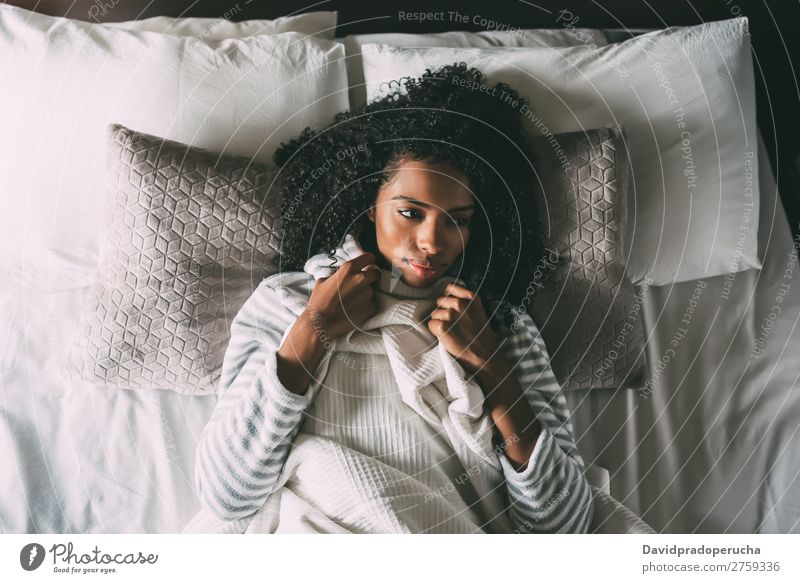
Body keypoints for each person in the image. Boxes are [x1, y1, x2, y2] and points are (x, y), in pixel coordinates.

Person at [193, 63, 594, 533]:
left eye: (458, 220)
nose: (431, 242)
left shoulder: (500, 326)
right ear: (368, 201)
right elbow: (226, 496)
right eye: (410, 212)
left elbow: (566, 528)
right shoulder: (285, 303)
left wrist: (494, 369)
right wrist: (313, 330)